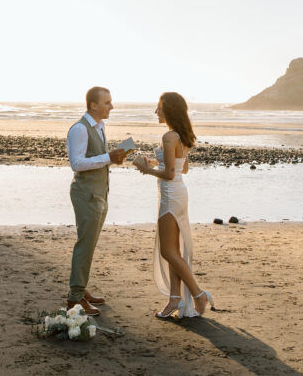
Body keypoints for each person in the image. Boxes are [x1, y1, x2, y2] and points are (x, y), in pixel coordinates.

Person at [133, 91, 215, 319]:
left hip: (170, 194)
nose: (155, 111)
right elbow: (182, 168)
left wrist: (146, 169)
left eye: (159, 107)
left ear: (168, 110)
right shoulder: (181, 135)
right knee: (174, 250)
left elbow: (169, 173)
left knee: (168, 251)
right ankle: (174, 299)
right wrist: (154, 161)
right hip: (179, 193)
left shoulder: (169, 137)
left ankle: (198, 294)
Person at [66, 86, 128, 316]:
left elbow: (95, 159)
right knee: (84, 245)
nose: (111, 106)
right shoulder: (79, 129)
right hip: (87, 194)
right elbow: (77, 163)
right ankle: (74, 298)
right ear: (93, 105)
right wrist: (107, 158)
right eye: (107, 102)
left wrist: (112, 158)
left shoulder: (99, 126)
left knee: (89, 245)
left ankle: (81, 290)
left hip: (100, 192)